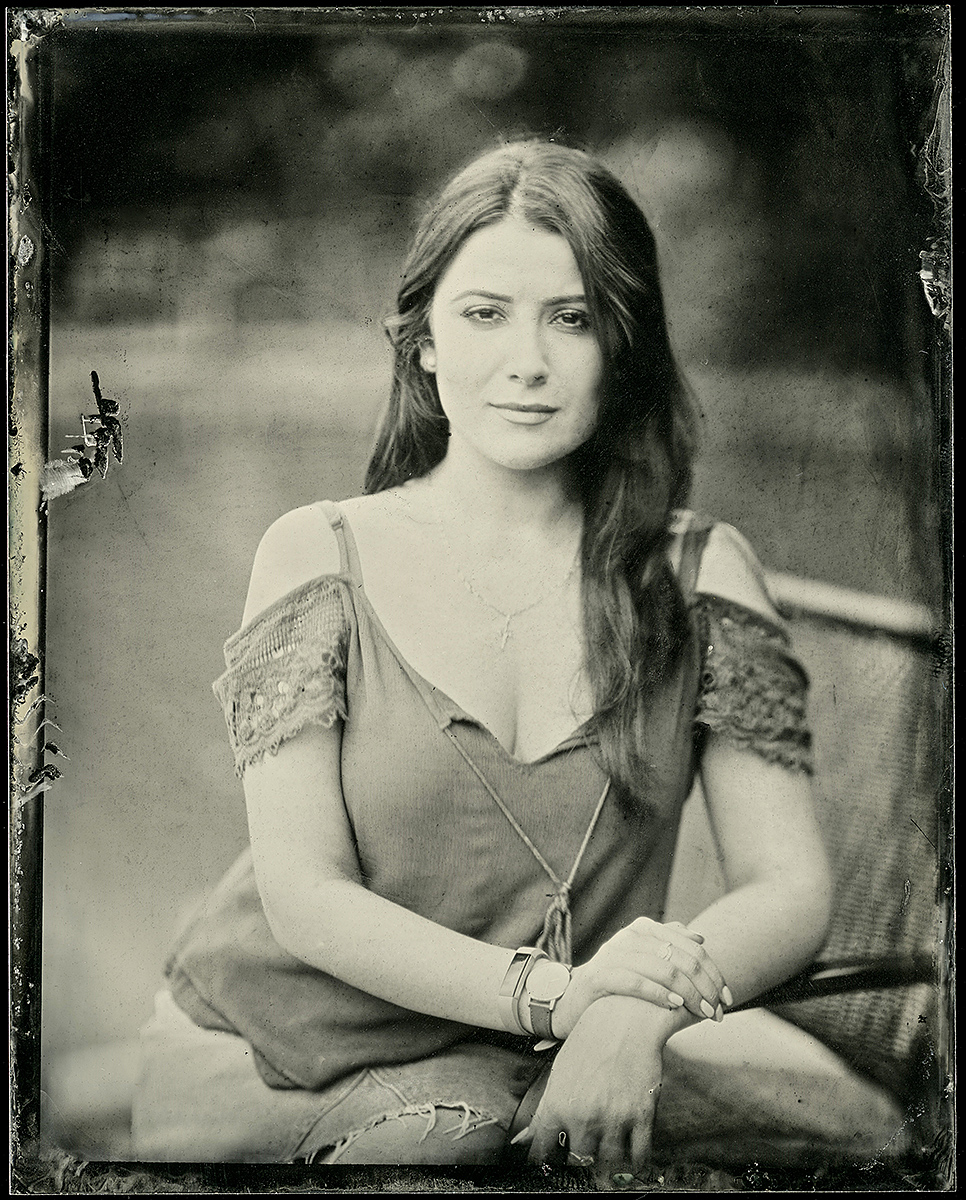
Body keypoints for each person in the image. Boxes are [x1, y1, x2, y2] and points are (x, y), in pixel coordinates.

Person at [132, 139, 868, 1182]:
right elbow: (305, 896)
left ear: (623, 345)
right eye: (484, 313)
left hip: (532, 1053)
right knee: (458, 1139)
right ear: (423, 339)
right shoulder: (321, 553)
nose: (527, 360)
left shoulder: (698, 577)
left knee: (855, 1129)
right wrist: (568, 999)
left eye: (570, 318)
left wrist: (626, 1022)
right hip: (270, 1053)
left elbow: (786, 886)